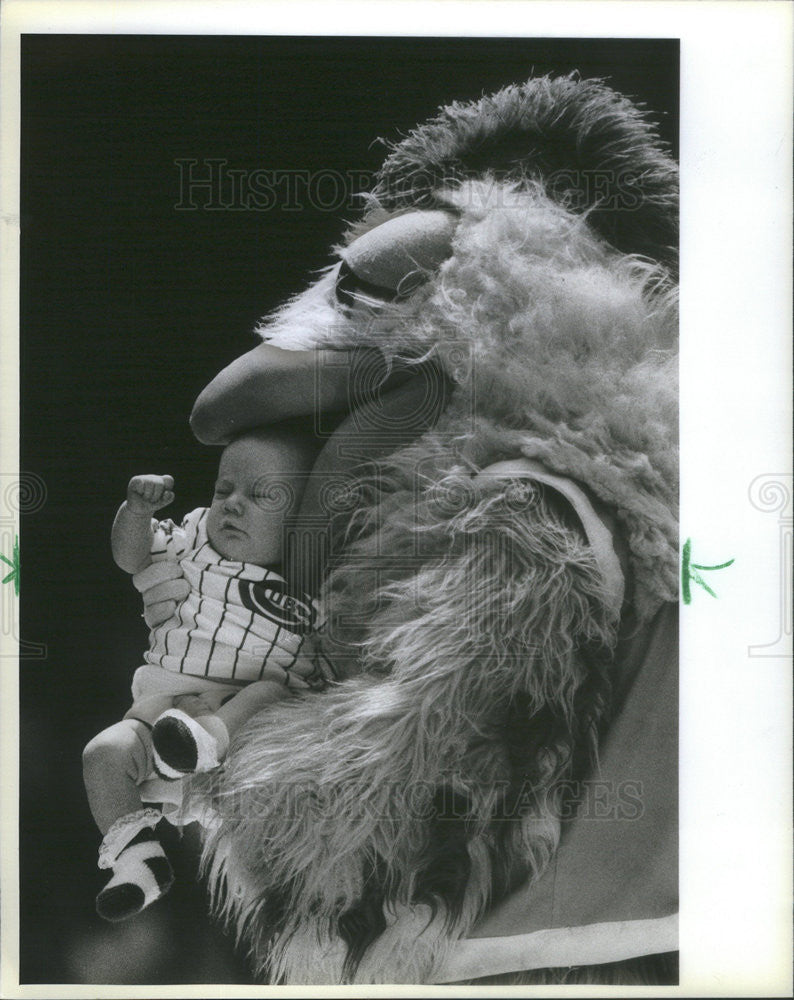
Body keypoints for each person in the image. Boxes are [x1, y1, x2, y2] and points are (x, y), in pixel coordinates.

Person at [82, 424, 321, 923]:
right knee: (102, 753)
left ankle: (204, 738)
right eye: (224, 489)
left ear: (302, 519)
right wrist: (137, 512)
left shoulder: (310, 578)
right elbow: (131, 556)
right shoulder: (192, 538)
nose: (233, 504)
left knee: (271, 692)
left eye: (261, 496)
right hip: (161, 714)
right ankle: (138, 861)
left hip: (245, 728)